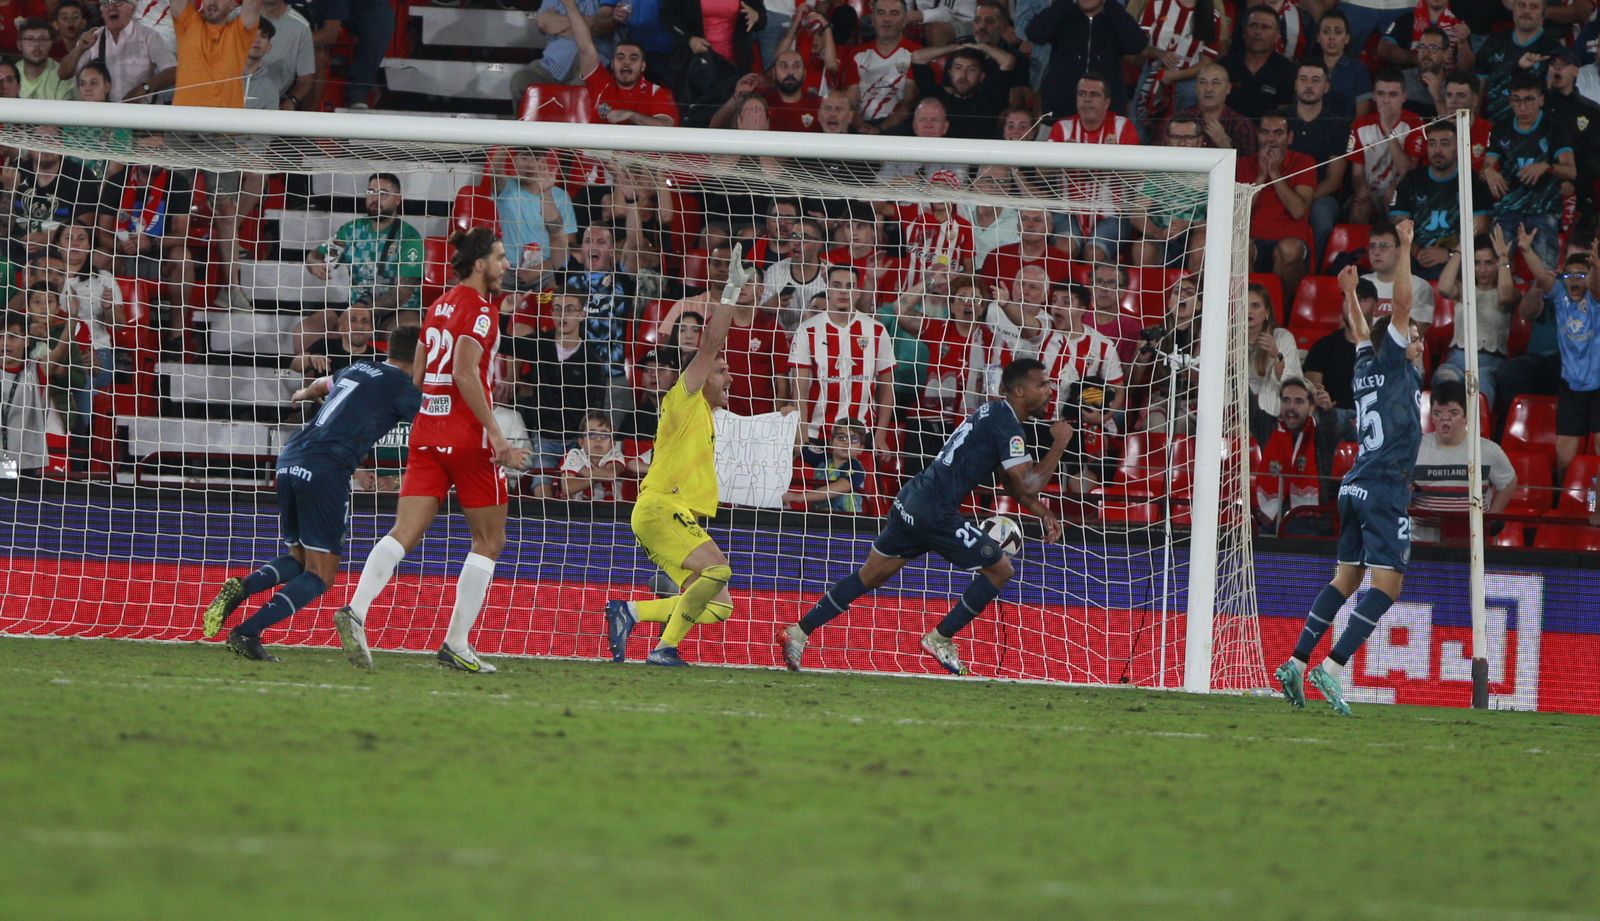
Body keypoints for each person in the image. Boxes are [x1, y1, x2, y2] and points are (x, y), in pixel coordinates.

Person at [776, 358, 1069, 675]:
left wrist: (1042, 511)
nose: (1050, 390)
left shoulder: (994, 413)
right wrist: (1061, 443)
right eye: (1043, 384)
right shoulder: (1008, 424)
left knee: (870, 575)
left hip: (912, 498)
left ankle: (799, 631)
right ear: (1020, 390)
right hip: (935, 511)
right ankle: (940, 638)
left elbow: (1011, 482)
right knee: (1000, 569)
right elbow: (1027, 482)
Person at [333, 229, 531, 675]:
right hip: (468, 439)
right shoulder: (481, 311)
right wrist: (497, 438)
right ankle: (457, 643)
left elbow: (419, 376)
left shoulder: (438, 304)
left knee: (404, 531)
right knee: (489, 539)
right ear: (480, 264)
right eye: (500, 258)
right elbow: (464, 371)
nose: (505, 265)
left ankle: (357, 609)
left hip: (426, 431)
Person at [200, 325, 423, 663]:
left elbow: (321, 385)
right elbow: (433, 421)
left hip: (290, 459)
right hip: (325, 469)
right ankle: (247, 632)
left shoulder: (357, 368)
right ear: (420, 355)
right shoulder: (403, 387)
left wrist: (303, 393)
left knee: (300, 559)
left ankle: (244, 588)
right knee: (320, 574)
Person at [1276, 223, 1424, 717]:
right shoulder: (1398, 365)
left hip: (1354, 484)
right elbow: (1397, 308)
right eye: (1414, 336)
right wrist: (1403, 247)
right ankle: (1334, 668)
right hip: (1383, 486)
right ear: (1400, 343)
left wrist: (1345, 292)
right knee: (1387, 586)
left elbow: (1362, 332)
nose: (1418, 338)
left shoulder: (1363, 367)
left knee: (1345, 577)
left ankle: (1297, 661)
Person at [602, 249, 756, 666]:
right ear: (702, 375)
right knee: (718, 571)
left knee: (719, 604)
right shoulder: (683, 398)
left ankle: (631, 612)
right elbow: (710, 344)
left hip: (667, 514)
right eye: (721, 372)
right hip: (660, 508)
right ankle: (664, 648)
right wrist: (732, 292)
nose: (729, 377)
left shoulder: (705, 414)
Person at [1519, 228, 1600, 476]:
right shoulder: (1560, 299)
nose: (1575, 280)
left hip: (1599, 388)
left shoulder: (1596, 301)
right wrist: (1525, 250)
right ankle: (1564, 499)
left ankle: (1594, 504)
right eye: (1570, 275)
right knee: (1565, 455)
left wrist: (1596, 268)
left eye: (1581, 275)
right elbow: (1543, 278)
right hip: (1571, 387)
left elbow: (1596, 287)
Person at [304, 171, 425, 337]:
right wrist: (315, 263)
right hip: (356, 307)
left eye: (383, 193)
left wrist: (367, 311)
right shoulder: (351, 230)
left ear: (397, 199)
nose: (375, 198)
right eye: (371, 192)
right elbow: (316, 256)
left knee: (407, 332)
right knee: (307, 331)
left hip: (396, 311)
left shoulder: (409, 237)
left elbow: (403, 292)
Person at [1483, 73, 1575, 274]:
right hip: (1507, 209)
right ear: (1510, 101)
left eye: (1529, 100)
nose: (1522, 108)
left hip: (1542, 210)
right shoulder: (1501, 128)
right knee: (1496, 270)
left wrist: (1546, 167)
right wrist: (1489, 171)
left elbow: (1571, 171)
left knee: (1545, 274)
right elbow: (1486, 166)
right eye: (1516, 100)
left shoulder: (1554, 128)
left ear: (1540, 100)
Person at [1411, 378, 1516, 544]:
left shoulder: (1488, 450)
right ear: (1431, 416)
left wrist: (1490, 518)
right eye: (1438, 414)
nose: (1445, 420)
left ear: (1466, 416)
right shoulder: (1414, 449)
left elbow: (1509, 481)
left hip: (1470, 539)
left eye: (1453, 413)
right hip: (1422, 538)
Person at [1388, 120, 1491, 282]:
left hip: (1457, 258)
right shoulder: (1412, 180)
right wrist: (1416, 251)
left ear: (1457, 147)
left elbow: (1481, 230)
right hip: (1415, 256)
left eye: (1445, 144)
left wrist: (1450, 253)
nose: (1437, 150)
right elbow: (1397, 225)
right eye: (1432, 144)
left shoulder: (1472, 181)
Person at [1025, 0, 1148, 121]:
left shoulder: (1114, 18)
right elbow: (1034, 33)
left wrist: (1111, 5)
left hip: (1106, 114)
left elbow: (1138, 44)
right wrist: (1063, 3)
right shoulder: (1063, 15)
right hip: (1061, 111)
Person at [1434, 229, 1515, 408]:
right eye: (1477, 263)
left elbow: (1507, 295)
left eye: (1489, 263)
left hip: (1490, 363)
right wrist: (1461, 249)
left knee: (1481, 386)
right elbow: (1444, 288)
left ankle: (1477, 434)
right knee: (1445, 377)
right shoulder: (1464, 289)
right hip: (1457, 358)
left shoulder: (1505, 291)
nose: (1482, 269)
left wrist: (1503, 256)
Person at [565, 0, 680, 126]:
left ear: (643, 66)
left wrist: (632, 116)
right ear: (613, 64)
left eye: (633, 58)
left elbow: (667, 125)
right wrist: (570, 5)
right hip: (599, 146)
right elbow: (585, 47)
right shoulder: (601, 83)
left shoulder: (656, 92)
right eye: (620, 57)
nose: (626, 62)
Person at [62, 0, 176, 104]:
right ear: (101, 11)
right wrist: (79, 50)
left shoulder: (149, 37)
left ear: (132, 8)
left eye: (118, 2)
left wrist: (144, 88)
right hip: (102, 119)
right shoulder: (93, 37)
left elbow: (173, 72)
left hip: (142, 119)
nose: (112, 7)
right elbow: (63, 74)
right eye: (106, 3)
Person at [838, 0, 921, 134]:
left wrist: (881, 129)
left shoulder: (916, 54)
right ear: (872, 18)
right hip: (860, 126)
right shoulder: (856, 55)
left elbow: (909, 103)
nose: (887, 19)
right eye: (881, 13)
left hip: (897, 129)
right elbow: (851, 101)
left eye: (894, 14)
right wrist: (860, 126)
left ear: (905, 20)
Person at [172, 0, 261, 108]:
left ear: (233, 4)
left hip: (226, 120)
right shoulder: (187, 23)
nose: (213, 2)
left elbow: (253, 3)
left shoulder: (240, 33)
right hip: (184, 119)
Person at [783, 417, 869, 511]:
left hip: (847, 520)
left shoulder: (856, 467)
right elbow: (799, 446)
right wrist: (791, 416)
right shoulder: (822, 458)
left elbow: (842, 487)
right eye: (841, 437)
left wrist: (800, 497)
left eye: (854, 440)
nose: (847, 443)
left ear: (861, 448)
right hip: (820, 517)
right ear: (831, 442)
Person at [559, 410, 628, 500]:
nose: (598, 439)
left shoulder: (615, 454)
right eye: (592, 434)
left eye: (604, 435)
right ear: (581, 442)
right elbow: (568, 487)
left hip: (612, 510)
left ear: (613, 443)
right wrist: (596, 477)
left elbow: (610, 474)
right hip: (579, 510)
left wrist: (586, 472)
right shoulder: (575, 454)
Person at [16, 19, 74, 100]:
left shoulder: (62, 75)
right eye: (29, 39)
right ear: (19, 44)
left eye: (42, 39)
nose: (36, 45)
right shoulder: (10, 74)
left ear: (51, 43)